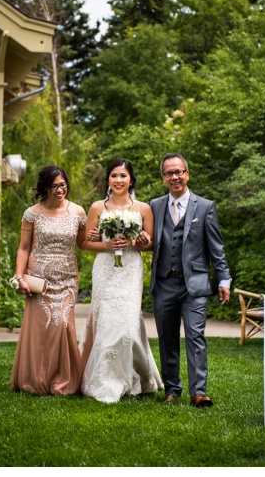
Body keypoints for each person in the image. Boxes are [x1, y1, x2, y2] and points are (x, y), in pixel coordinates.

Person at [142, 153, 232, 408]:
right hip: (163, 283)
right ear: (163, 178)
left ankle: (198, 393)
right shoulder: (155, 206)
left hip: (195, 284)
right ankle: (172, 390)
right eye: (169, 173)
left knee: (195, 336)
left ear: (187, 174)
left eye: (179, 171)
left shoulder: (204, 207)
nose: (175, 177)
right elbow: (150, 241)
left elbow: (216, 247)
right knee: (166, 338)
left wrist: (224, 278)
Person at [80, 159, 163, 403]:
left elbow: (151, 244)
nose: (118, 180)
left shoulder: (143, 208)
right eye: (114, 175)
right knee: (107, 322)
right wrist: (106, 244)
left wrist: (137, 242)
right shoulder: (97, 207)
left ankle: (135, 376)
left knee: (127, 323)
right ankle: (104, 380)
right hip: (106, 268)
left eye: (123, 176)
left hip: (130, 269)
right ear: (108, 179)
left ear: (131, 180)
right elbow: (86, 242)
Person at [11, 166, 87, 395]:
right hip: (38, 278)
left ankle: (63, 381)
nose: (59, 189)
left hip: (67, 278)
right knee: (40, 329)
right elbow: (24, 248)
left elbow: (82, 243)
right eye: (54, 186)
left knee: (62, 325)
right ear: (45, 188)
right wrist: (18, 276)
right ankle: (36, 380)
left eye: (62, 184)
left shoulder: (78, 212)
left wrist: (104, 240)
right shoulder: (31, 213)